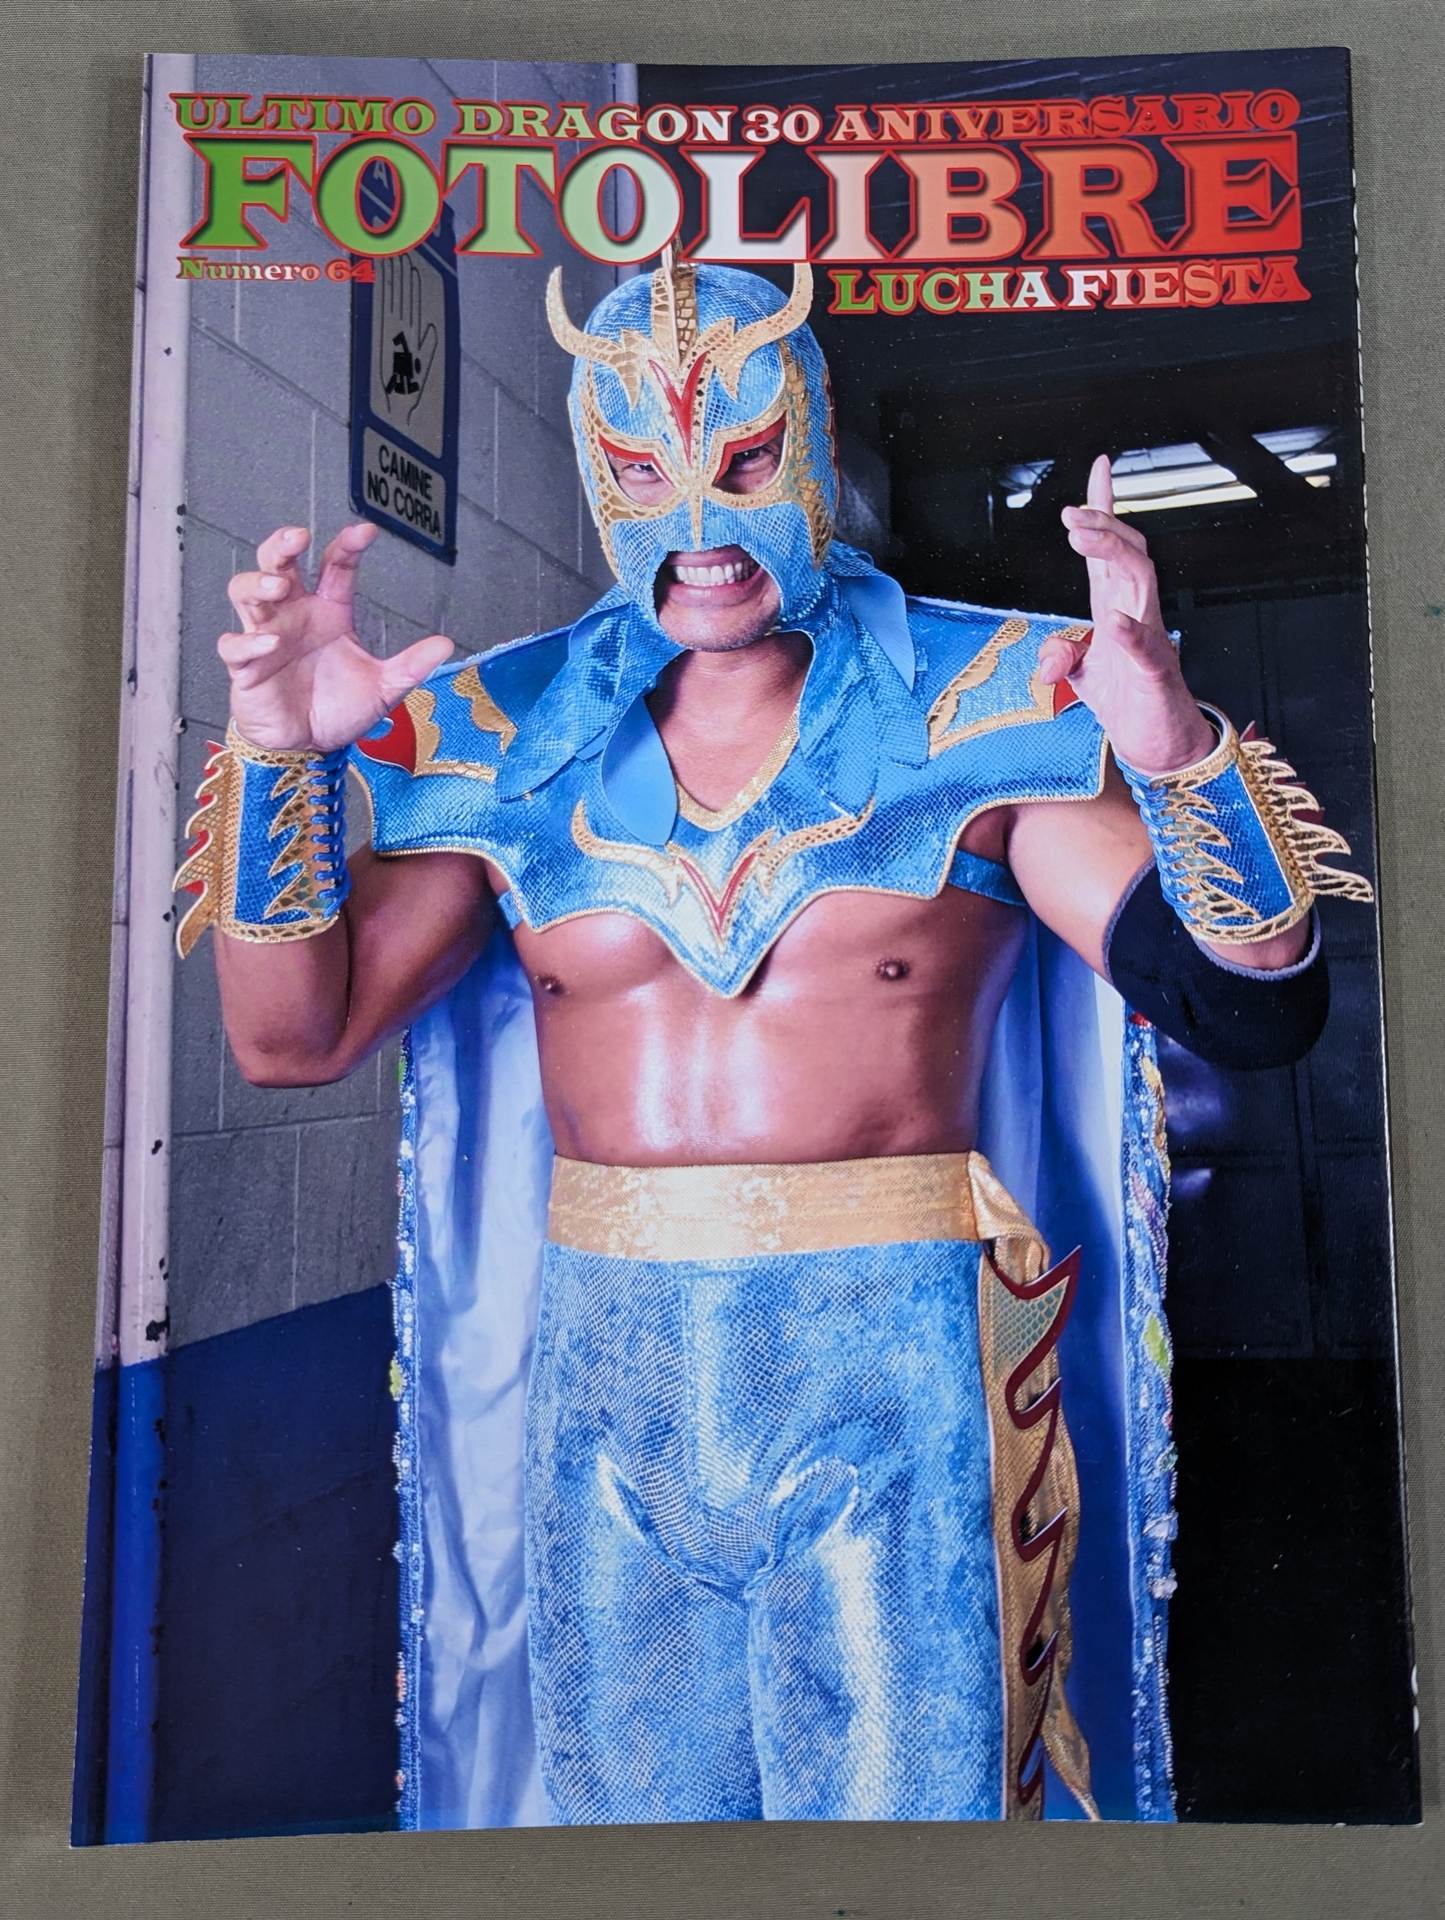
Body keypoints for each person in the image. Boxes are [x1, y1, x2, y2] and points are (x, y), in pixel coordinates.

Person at [174, 256, 1371, 1828]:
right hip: (605, 1387)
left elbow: (1251, 1002)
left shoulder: (987, 704)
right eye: (639, 471)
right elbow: (292, 1040)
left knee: (913, 1846)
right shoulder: (502, 736)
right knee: (629, 1853)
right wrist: (274, 760)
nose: (697, 523)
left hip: (892, 1378)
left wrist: (1182, 757)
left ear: (810, 445)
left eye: (741, 463)